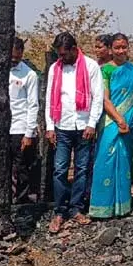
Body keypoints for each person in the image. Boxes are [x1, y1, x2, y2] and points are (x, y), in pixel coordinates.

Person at [45, 32, 103, 233]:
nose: (62, 58)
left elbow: (97, 97)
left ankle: (76, 208)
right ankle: (60, 211)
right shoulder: (55, 68)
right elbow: (49, 98)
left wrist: (92, 124)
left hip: (83, 125)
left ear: (73, 48)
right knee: (60, 169)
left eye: (64, 54)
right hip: (62, 125)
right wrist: (49, 127)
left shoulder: (90, 66)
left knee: (82, 169)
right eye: (59, 54)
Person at [89, 33, 133, 218]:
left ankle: (122, 206)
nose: (121, 51)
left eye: (124, 47)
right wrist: (119, 119)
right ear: (111, 49)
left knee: (125, 162)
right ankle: (101, 208)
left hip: (130, 123)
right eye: (117, 47)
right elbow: (105, 99)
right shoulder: (105, 71)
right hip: (110, 123)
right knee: (105, 160)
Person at [9, 37, 40, 204]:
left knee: (21, 168)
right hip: (1, 129)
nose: (13, 61)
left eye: (16, 58)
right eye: (11, 58)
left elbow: (33, 104)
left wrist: (29, 133)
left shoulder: (29, 74)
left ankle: (22, 203)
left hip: (20, 128)